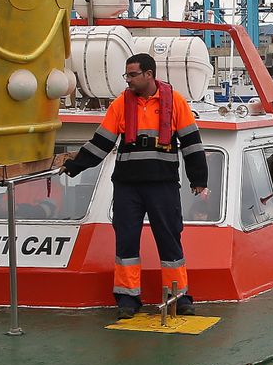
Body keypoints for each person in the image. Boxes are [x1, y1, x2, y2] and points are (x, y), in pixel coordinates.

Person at [62, 52, 208, 318]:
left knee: (169, 240)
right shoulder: (120, 105)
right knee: (126, 242)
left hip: (162, 184)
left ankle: (179, 296)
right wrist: (74, 166)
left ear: (149, 74)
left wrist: (198, 179)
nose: (127, 80)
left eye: (132, 75)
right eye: (126, 75)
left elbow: (191, 143)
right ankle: (128, 300)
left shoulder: (175, 102)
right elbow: (101, 143)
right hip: (127, 186)